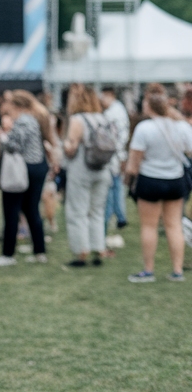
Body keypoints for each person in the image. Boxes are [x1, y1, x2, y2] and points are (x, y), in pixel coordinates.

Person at [125, 83, 192, 283]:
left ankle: (148, 270)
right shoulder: (181, 127)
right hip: (175, 180)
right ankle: (177, 270)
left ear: (150, 106)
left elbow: (134, 162)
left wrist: (128, 180)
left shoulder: (144, 128)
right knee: (174, 225)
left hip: (150, 180)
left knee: (149, 226)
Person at [0, 90, 49, 267]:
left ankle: (8, 253)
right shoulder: (34, 120)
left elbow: (14, 146)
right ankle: (39, 250)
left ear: (16, 106)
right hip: (37, 168)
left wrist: (1, 135)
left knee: (11, 210)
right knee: (32, 210)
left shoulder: (22, 121)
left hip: (22, 170)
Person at [62, 84, 113, 269]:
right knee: (97, 211)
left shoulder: (78, 119)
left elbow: (71, 147)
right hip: (103, 168)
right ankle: (98, 248)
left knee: (77, 211)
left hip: (82, 169)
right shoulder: (103, 118)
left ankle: (81, 251)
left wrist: (64, 146)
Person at [100, 86, 130, 241]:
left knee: (112, 188)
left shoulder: (113, 112)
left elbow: (115, 136)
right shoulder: (119, 110)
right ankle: (120, 216)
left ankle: (114, 217)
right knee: (116, 187)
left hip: (113, 155)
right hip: (117, 155)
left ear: (110, 95)